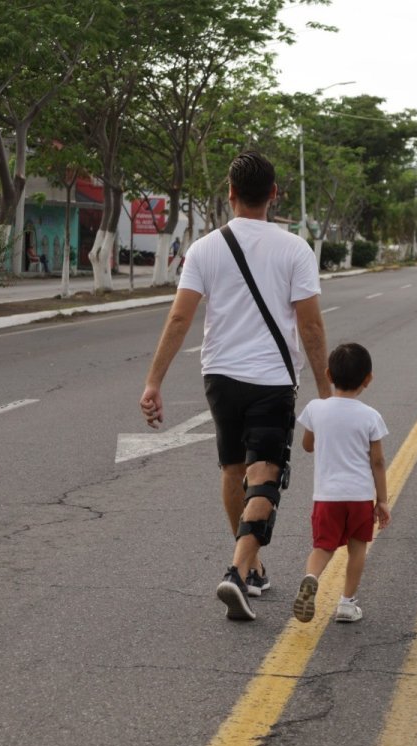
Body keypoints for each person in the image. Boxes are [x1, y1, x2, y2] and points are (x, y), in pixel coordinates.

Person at [139, 150, 331, 622]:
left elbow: (180, 317)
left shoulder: (205, 248)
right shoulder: (295, 249)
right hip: (272, 378)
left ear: (230, 193)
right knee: (265, 473)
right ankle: (238, 572)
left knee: (232, 470)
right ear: (273, 194)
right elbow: (310, 326)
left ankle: (252, 567)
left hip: (220, 376)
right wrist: (327, 393)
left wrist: (154, 381)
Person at [291, 342, 390, 624]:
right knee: (357, 548)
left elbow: (308, 445)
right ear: (368, 379)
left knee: (323, 546)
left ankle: (311, 577)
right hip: (359, 497)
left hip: (327, 497)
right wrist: (382, 500)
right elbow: (378, 462)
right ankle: (347, 603)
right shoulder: (371, 416)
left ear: (329, 375)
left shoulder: (315, 408)